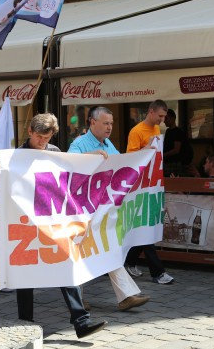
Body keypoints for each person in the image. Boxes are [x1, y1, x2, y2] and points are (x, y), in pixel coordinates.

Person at [1, 113, 107, 338]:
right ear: (29, 131)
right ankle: (25, 325)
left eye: (47, 138)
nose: (42, 142)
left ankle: (81, 322)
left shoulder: (55, 152)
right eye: (39, 136)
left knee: (66, 265)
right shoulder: (15, 156)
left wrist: (91, 157)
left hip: (52, 221)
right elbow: (3, 189)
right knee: (25, 273)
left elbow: (71, 168)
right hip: (25, 221)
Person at [68, 107, 151, 311]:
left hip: (101, 206)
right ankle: (79, 301)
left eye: (111, 123)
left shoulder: (107, 143)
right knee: (80, 252)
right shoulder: (79, 144)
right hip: (82, 208)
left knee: (106, 247)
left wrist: (144, 154)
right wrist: (90, 155)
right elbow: (68, 166)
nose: (109, 127)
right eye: (105, 123)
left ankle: (126, 295)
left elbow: (120, 164)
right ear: (92, 123)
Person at [125, 100, 174, 285]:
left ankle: (128, 262)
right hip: (139, 186)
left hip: (152, 183)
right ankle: (158, 272)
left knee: (144, 225)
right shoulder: (137, 131)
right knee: (146, 226)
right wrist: (146, 150)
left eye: (164, 117)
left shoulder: (155, 130)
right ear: (151, 112)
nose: (162, 120)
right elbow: (130, 158)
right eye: (160, 116)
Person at [162, 109, 193, 177]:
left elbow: (176, 150)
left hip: (175, 163)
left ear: (172, 118)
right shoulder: (168, 131)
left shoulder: (178, 132)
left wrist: (164, 155)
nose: (164, 121)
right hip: (167, 162)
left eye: (166, 118)